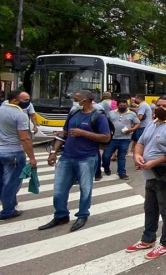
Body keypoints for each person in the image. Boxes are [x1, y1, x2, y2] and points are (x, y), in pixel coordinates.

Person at [39, 90, 111, 232]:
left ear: (87, 100)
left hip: (87, 158)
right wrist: (53, 152)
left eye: (77, 99)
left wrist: (83, 133)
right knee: (59, 190)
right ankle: (61, 215)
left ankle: (82, 215)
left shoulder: (99, 116)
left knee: (85, 189)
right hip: (66, 157)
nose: (75, 101)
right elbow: (64, 133)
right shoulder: (73, 113)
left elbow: (106, 137)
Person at [125, 95, 166, 260]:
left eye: (165, 106)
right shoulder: (152, 124)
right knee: (150, 209)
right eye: (158, 105)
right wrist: (137, 154)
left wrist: (154, 162)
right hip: (150, 176)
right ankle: (148, 239)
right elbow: (141, 142)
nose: (160, 108)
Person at [0, 90, 38, 220]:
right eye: (26, 100)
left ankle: (10, 203)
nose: (28, 102)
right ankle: (8, 210)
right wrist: (32, 158)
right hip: (14, 153)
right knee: (12, 183)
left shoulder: (1, 108)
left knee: (2, 181)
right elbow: (25, 139)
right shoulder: (19, 115)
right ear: (15, 101)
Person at [101, 99, 140, 180]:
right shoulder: (111, 113)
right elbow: (105, 122)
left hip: (125, 139)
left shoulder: (132, 114)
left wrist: (131, 130)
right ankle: (106, 168)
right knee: (106, 156)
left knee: (121, 157)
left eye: (125, 106)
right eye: (121, 105)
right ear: (117, 105)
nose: (123, 107)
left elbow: (138, 123)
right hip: (112, 139)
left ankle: (122, 173)